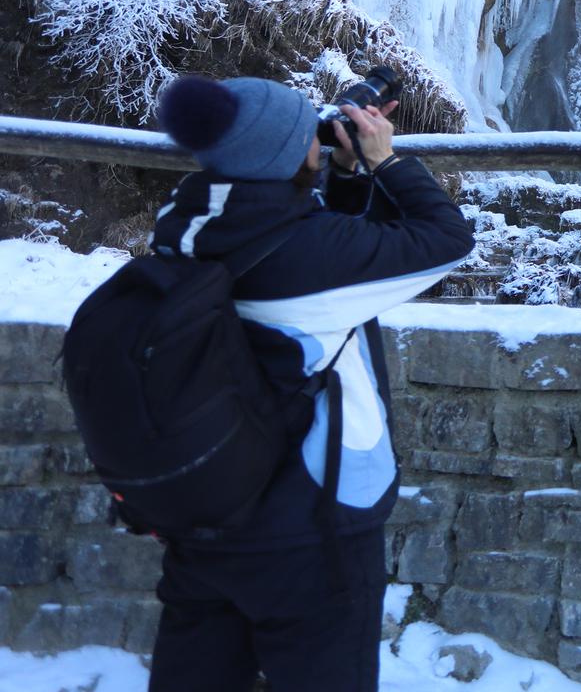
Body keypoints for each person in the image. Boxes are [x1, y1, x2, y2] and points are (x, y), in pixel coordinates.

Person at [143, 74, 474, 691]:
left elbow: (307, 249)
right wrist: (386, 161)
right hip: (313, 526)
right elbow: (447, 243)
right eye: (308, 137)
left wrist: (342, 178)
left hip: (207, 511)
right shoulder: (311, 255)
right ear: (285, 156)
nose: (317, 143)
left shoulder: (181, 223)